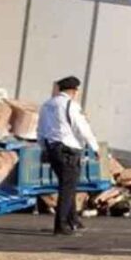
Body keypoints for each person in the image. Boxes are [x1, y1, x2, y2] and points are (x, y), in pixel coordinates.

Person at [38, 76, 100, 235]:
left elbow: (41, 129)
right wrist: (95, 147)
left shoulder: (47, 104)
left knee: (67, 185)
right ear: (74, 90)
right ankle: (61, 225)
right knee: (67, 188)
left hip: (52, 149)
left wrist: (44, 147)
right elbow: (82, 127)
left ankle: (74, 220)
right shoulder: (71, 105)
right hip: (68, 150)